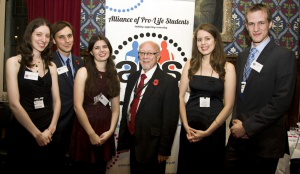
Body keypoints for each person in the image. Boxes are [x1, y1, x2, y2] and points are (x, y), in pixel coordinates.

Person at [224, 3, 297, 174]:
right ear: (246, 26)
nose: (256, 28)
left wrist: (247, 127)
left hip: (265, 142)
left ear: (270, 24)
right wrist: (236, 122)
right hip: (237, 140)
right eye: (251, 23)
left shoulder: (284, 56)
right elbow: (239, 94)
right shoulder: (242, 56)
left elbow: (281, 102)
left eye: (261, 23)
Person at [177, 23, 236, 174]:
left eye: (207, 38)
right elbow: (180, 96)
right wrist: (185, 126)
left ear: (216, 40)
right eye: (199, 39)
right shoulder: (190, 64)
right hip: (190, 129)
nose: (203, 43)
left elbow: (229, 106)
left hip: (214, 129)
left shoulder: (228, 67)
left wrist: (208, 131)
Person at [5, 18, 61, 171]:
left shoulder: (52, 65)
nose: (43, 40)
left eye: (47, 36)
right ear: (30, 35)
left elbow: (57, 100)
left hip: (48, 133)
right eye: (39, 34)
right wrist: (37, 134)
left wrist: (50, 130)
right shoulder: (14, 63)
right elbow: (14, 104)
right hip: (24, 131)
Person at [117, 41, 179, 174]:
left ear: (158, 56)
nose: (145, 56)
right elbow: (127, 108)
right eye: (142, 53)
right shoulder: (133, 77)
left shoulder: (169, 82)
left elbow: (170, 120)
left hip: (153, 146)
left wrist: (164, 150)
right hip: (134, 141)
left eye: (150, 53)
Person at [69, 34, 120, 173]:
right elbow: (77, 106)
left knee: (100, 169)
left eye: (104, 46)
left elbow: (115, 108)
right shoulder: (83, 72)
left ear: (109, 49)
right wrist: (91, 134)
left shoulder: (113, 74)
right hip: (85, 131)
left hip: (105, 130)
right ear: (91, 52)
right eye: (97, 48)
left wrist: (110, 131)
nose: (101, 50)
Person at [51, 21, 84, 168]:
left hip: (78, 126)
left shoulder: (80, 62)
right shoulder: (48, 62)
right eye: (61, 37)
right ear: (53, 40)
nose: (67, 41)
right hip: (58, 126)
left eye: (69, 36)